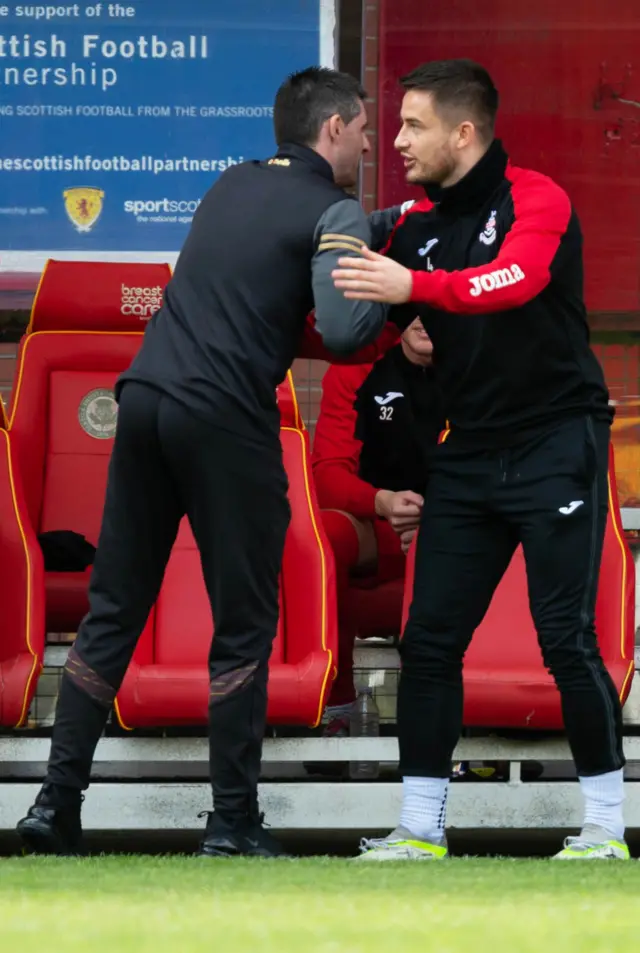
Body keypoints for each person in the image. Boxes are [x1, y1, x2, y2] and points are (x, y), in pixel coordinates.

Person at [16, 66, 409, 859]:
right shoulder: (331, 210)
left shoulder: (229, 185)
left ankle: (54, 808)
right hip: (225, 416)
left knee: (113, 611)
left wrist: (373, 223)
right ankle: (232, 821)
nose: (372, 143)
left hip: (146, 401)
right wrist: (399, 299)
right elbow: (337, 331)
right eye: (365, 128)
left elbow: (261, 290)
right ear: (332, 128)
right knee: (244, 625)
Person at [332, 59, 629, 861]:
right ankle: (419, 830)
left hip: (556, 442)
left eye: (413, 125)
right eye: (394, 126)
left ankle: (605, 826)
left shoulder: (538, 196)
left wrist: (416, 289)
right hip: (466, 454)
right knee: (428, 641)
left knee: (564, 636)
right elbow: (359, 307)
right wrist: (401, 323)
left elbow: (514, 279)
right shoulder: (410, 224)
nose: (395, 142)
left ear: (464, 132)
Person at [312, 318, 443, 731]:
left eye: (435, 305)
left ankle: (476, 714)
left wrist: (438, 520)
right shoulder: (358, 368)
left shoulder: (480, 368)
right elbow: (328, 475)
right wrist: (381, 502)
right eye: (413, 306)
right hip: (375, 527)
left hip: (452, 531)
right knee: (327, 536)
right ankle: (335, 706)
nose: (423, 318)